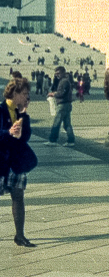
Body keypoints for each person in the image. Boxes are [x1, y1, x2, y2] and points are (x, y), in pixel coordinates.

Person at [1, 77, 38, 247]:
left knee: (18, 196)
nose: (27, 98)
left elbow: (26, 136)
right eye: (24, 94)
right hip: (2, 161)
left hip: (15, 162)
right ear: (14, 93)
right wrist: (8, 132)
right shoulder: (1, 110)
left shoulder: (19, 111)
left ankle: (20, 235)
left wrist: (23, 114)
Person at [44, 66, 75, 147]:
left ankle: (53, 140)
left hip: (62, 105)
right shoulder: (65, 81)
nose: (57, 75)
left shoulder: (64, 81)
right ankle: (71, 140)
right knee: (67, 124)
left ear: (63, 73)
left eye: (58, 73)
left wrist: (53, 94)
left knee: (56, 123)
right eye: (56, 74)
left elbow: (61, 93)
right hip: (67, 104)